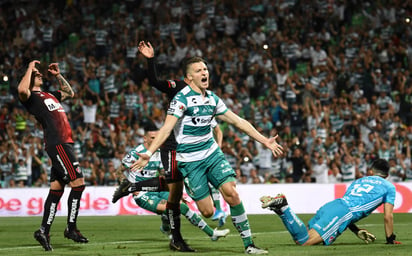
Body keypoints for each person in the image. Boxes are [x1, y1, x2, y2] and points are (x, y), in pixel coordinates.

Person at [131, 56, 284, 254]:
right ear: (189, 78)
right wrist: (149, 152)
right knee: (208, 211)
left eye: (205, 69)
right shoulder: (180, 100)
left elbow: (238, 121)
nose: (204, 73)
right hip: (190, 161)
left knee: (232, 193)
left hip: (211, 154)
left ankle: (249, 245)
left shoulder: (212, 98)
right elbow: (166, 128)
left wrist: (264, 140)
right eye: (198, 71)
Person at [115, 122, 230, 242]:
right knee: (180, 208)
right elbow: (118, 172)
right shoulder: (135, 153)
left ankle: (165, 226)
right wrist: (131, 188)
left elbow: (163, 176)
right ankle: (212, 234)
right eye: (153, 138)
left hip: (157, 190)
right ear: (145, 138)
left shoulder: (160, 152)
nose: (156, 141)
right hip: (143, 194)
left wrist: (176, 194)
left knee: (179, 205)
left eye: (158, 138)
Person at [17, 60, 88, 251]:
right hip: (58, 143)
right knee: (78, 184)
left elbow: (69, 93)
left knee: (56, 190)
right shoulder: (30, 96)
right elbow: (21, 91)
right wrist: (30, 68)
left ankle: (43, 231)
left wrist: (58, 75)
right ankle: (71, 228)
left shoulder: (49, 94)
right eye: (37, 73)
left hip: (64, 142)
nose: (40, 74)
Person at [260, 158, 402, 246]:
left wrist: (356, 230)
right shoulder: (389, 186)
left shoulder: (359, 181)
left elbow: (348, 208)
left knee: (301, 237)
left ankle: (282, 209)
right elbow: (387, 216)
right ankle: (284, 206)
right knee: (305, 242)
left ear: (371, 171)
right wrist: (390, 239)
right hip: (341, 213)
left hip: (332, 206)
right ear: (387, 175)